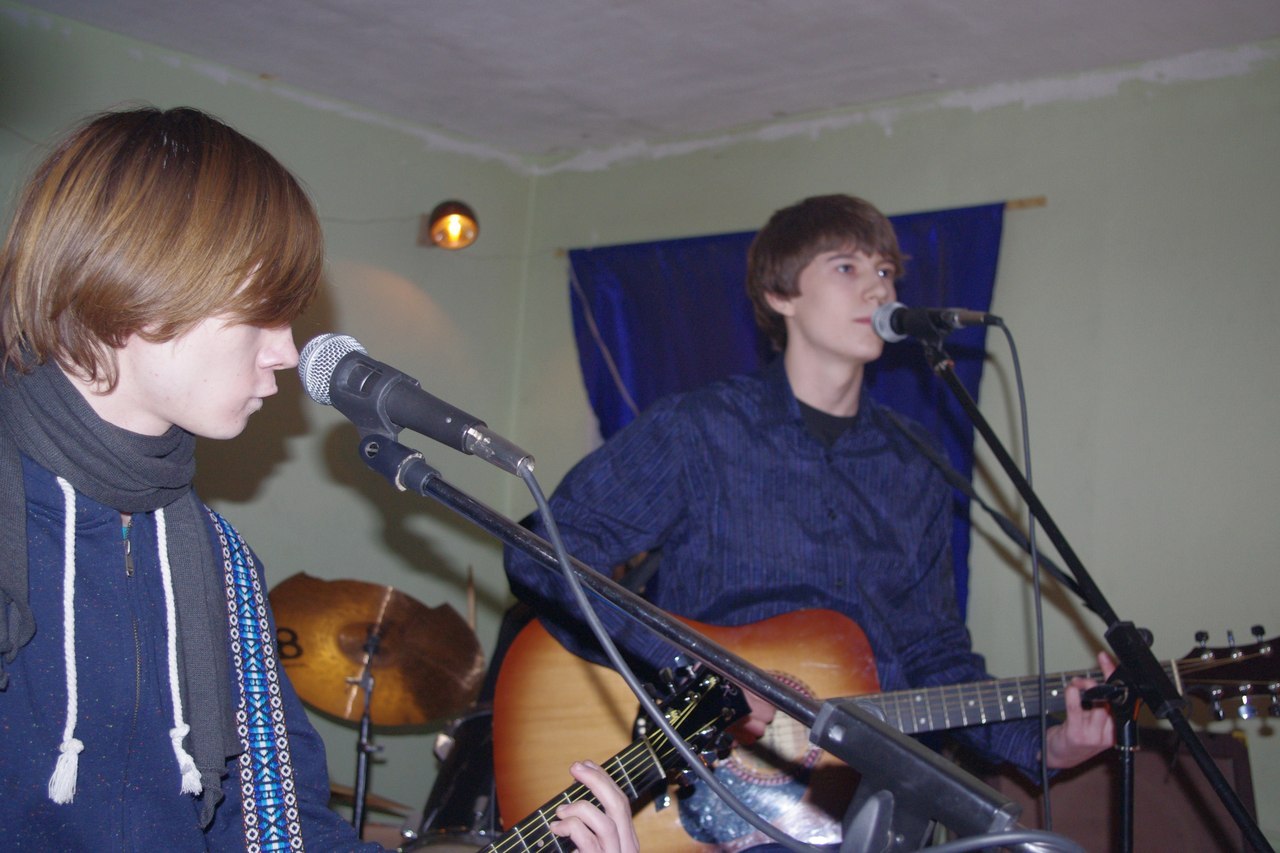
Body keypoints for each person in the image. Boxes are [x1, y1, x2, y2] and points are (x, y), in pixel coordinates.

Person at [0, 106, 639, 853]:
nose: (287, 352)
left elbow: (284, 830)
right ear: (134, 288)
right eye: (262, 313)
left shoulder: (220, 564)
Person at [504, 194, 1114, 848]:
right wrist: (695, 670)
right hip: (705, 795)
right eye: (847, 267)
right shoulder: (700, 429)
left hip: (872, 810)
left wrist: (1046, 745)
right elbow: (543, 551)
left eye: (886, 271)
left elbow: (935, 653)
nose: (879, 288)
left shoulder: (914, 461)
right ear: (780, 294)